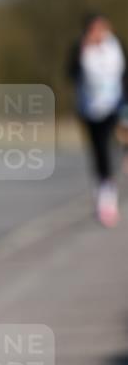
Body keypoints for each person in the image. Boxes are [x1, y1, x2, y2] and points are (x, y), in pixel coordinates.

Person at [68, 13, 127, 227]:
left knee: (108, 147)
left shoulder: (115, 47)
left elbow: (124, 74)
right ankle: (103, 192)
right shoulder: (81, 49)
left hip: (113, 105)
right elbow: (71, 74)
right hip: (89, 109)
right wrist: (83, 49)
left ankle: (107, 197)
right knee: (97, 150)